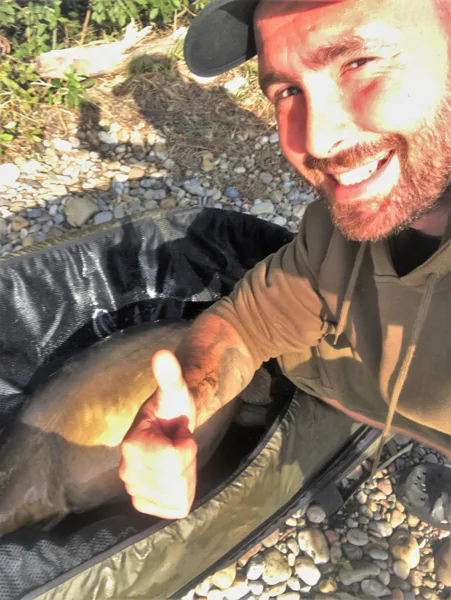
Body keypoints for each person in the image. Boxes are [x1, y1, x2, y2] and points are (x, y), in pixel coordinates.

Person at [119, 0, 451, 524]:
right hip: (352, 393)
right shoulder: (337, 229)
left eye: (358, 62)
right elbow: (248, 324)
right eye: (287, 91)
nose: (315, 140)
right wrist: (187, 403)